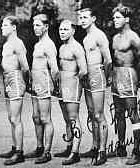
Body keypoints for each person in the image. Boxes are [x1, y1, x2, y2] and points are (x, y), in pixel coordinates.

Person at [107, 5, 140, 165]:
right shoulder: (115, 38)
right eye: (114, 17)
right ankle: (121, 146)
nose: (114, 20)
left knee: (132, 114)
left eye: (117, 17)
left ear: (127, 19)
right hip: (116, 76)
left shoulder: (134, 37)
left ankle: (136, 151)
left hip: (129, 76)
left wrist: (137, 79)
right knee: (118, 113)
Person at [77, 7, 112, 166]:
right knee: (91, 114)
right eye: (80, 17)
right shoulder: (86, 38)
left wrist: (107, 76)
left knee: (99, 114)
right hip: (88, 75)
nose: (82, 20)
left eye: (85, 17)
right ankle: (94, 146)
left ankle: (102, 151)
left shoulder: (99, 35)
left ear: (93, 19)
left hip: (97, 73)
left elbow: (108, 60)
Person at [23, 14, 59, 164]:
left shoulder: (49, 45)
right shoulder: (38, 44)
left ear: (46, 27)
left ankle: (47, 152)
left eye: (38, 25)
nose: (35, 28)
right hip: (35, 82)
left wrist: (54, 86)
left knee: (45, 118)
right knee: (36, 117)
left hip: (44, 82)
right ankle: (39, 147)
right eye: (34, 25)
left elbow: (55, 69)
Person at [54, 19, 87, 165]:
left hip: (72, 85)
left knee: (73, 118)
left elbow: (84, 70)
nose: (62, 32)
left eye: (65, 30)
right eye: (61, 29)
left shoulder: (77, 47)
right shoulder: (62, 47)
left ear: (73, 31)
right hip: (62, 85)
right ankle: (69, 147)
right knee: (67, 118)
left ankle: (75, 152)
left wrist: (73, 82)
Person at [0, 15, 30, 166]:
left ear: (14, 27)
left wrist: (23, 82)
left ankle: (19, 152)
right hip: (7, 79)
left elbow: (25, 67)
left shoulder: (18, 43)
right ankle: (14, 147)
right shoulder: (6, 44)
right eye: (2, 25)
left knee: (16, 118)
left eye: (5, 25)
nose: (1, 28)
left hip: (16, 78)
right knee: (11, 117)